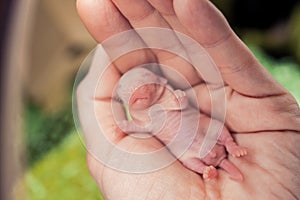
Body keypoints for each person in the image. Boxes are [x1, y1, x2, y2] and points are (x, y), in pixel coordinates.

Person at [76, 0, 300, 199]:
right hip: (190, 152)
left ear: (159, 82)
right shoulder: (144, 118)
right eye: (129, 93)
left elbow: (181, 103)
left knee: (217, 130)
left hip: (207, 134)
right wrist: (126, 125)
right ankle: (205, 170)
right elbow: (140, 128)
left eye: (142, 83)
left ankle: (230, 145)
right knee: (187, 159)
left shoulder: (167, 94)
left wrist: (178, 98)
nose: (136, 91)